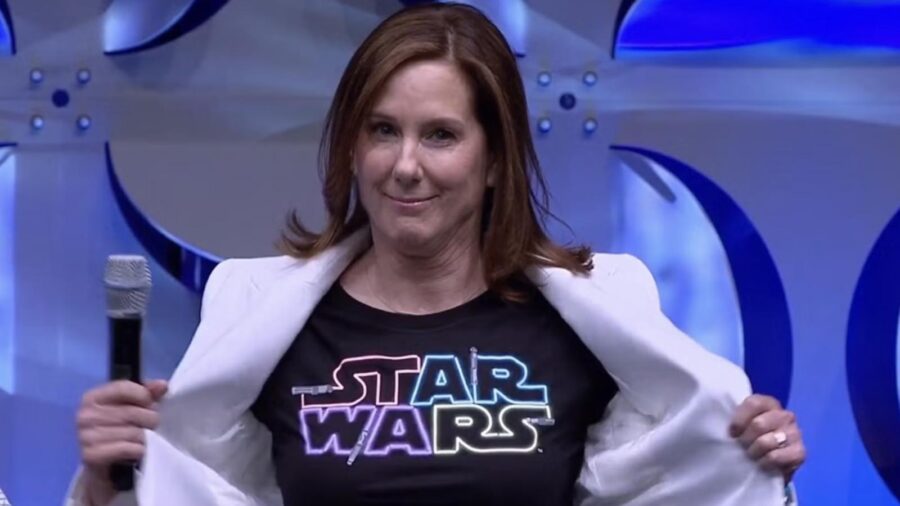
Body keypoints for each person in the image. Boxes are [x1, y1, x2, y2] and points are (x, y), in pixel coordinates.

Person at [68, 3, 805, 505]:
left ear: (495, 160)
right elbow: (195, 489)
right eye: (382, 130)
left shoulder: (590, 319)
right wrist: (108, 484)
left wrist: (749, 454)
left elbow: (677, 479)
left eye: (441, 135)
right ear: (352, 148)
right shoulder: (261, 320)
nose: (405, 166)